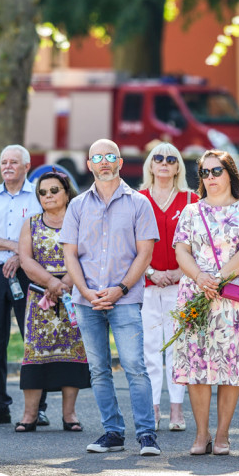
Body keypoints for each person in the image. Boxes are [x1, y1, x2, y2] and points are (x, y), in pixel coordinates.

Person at [61, 139, 162, 456]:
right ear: (89, 164)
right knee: (99, 370)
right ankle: (113, 433)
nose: (104, 162)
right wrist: (87, 292)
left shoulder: (139, 204)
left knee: (135, 367)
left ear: (119, 162)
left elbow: (145, 254)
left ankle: (146, 434)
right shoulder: (77, 206)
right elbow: (70, 255)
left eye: (110, 157)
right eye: (97, 157)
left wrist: (119, 289)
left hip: (126, 299)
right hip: (87, 300)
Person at [173, 150, 239, 455]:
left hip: (233, 299)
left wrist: (218, 279)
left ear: (230, 173)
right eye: (204, 173)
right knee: (197, 366)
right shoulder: (190, 212)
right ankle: (202, 434)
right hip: (196, 295)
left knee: (230, 366)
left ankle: (223, 434)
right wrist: (201, 278)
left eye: (216, 171)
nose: (210, 178)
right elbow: (181, 251)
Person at [0, 145, 49, 427]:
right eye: (3, 162)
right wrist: (10, 245)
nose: (7, 166)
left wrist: (20, 256)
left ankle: (39, 407)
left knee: (32, 338)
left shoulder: (38, 196)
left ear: (26, 166)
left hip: (27, 273)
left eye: (13, 162)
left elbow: (43, 233)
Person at [15, 171, 91, 432]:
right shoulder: (32, 223)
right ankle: (29, 415)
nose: (48, 195)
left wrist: (66, 283)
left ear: (67, 193)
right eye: (43, 192)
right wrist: (52, 283)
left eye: (54, 190)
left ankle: (69, 415)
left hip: (73, 295)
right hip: (40, 298)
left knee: (72, 354)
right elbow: (25, 259)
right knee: (36, 354)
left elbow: (85, 255)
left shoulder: (79, 221)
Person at [139, 143, 198, 432]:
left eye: (170, 159)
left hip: (181, 285)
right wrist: (151, 271)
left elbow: (199, 246)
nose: (164, 162)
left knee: (178, 347)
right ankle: (153, 409)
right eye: (158, 158)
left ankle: (176, 410)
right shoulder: (137, 199)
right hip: (147, 285)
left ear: (178, 167)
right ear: (150, 165)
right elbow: (130, 245)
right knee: (150, 348)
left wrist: (179, 272)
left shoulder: (191, 199)